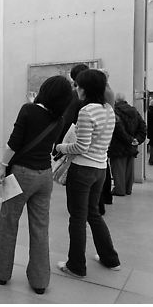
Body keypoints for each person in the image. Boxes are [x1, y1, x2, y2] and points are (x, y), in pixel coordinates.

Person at [0, 75, 72, 295]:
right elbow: (43, 128)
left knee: (8, 223)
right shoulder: (60, 120)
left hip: (20, 174)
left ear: (45, 90)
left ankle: (1, 272)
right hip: (45, 176)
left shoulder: (27, 110)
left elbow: (14, 142)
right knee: (40, 229)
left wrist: (2, 166)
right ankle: (40, 280)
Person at [54, 69, 120, 278]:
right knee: (93, 214)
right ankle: (110, 259)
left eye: (78, 85)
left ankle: (76, 265)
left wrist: (61, 147)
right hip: (100, 169)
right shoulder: (108, 109)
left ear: (85, 88)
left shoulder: (86, 111)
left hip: (82, 170)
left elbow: (81, 146)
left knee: (77, 218)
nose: (76, 88)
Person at [108, 93, 147, 196]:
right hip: (132, 146)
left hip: (118, 145)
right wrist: (137, 140)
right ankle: (128, 189)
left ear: (115, 101)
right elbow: (142, 127)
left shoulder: (115, 111)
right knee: (129, 169)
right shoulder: (134, 111)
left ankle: (119, 190)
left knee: (118, 169)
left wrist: (129, 139)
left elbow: (118, 129)